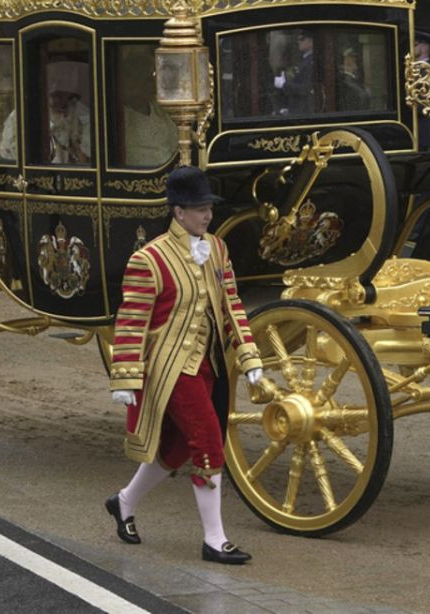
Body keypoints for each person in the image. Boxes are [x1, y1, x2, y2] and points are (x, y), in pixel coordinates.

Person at [105, 166, 264, 565]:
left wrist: (249, 356)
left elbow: (231, 305)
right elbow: (131, 321)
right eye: (198, 209)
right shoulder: (149, 259)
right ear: (178, 212)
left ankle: (123, 503)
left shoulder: (218, 250)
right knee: (209, 442)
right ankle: (215, 539)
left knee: (175, 450)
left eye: (208, 207)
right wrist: (125, 375)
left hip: (206, 364)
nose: (206, 215)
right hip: (169, 368)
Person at [118, 48, 177, 167]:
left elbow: (176, 144)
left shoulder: (159, 110)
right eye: (149, 80)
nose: (155, 85)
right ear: (134, 81)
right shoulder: (119, 116)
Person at [273, 30, 319, 115]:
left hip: (304, 111)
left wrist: (284, 85)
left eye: (302, 39)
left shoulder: (311, 62)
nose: (298, 42)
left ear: (311, 42)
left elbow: (305, 89)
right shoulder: (305, 60)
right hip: (297, 109)